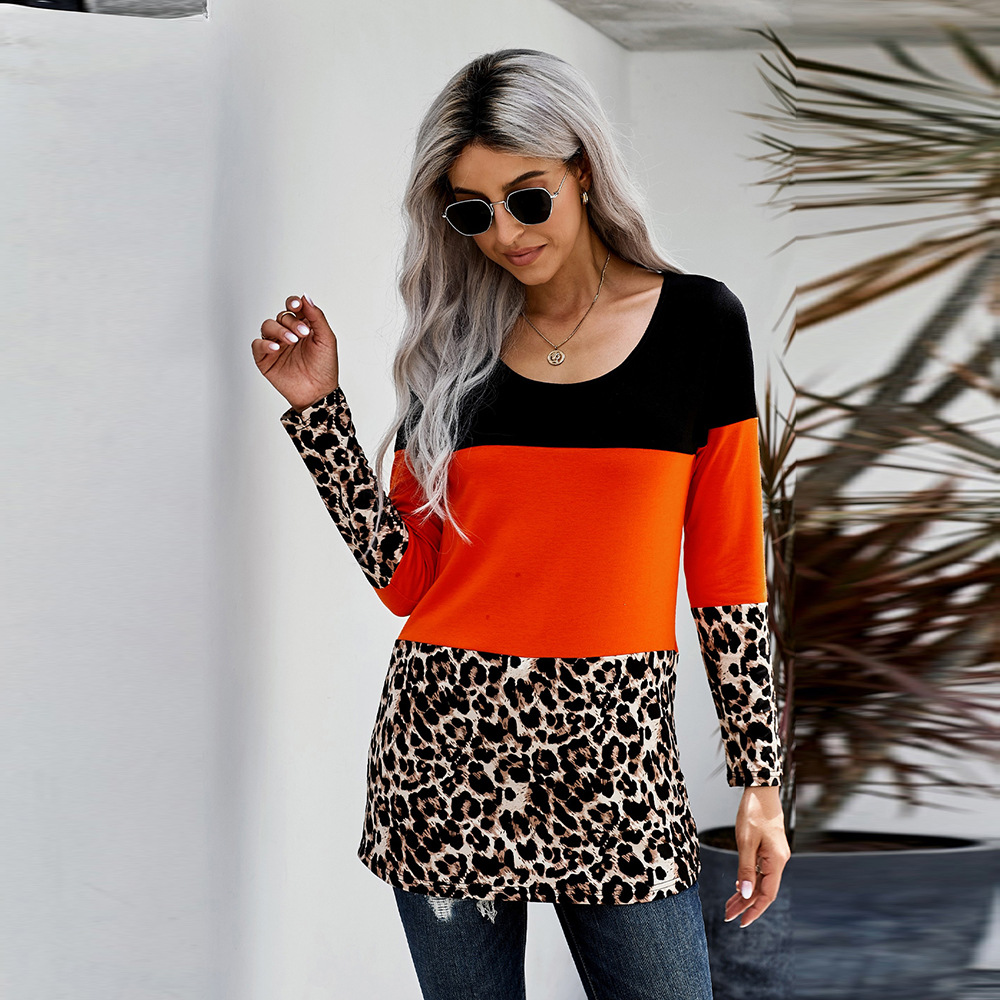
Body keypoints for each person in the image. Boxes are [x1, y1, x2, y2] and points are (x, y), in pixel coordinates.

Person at [252, 47, 789, 1000]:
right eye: (473, 212)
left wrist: (760, 778)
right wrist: (319, 415)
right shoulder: (451, 350)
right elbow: (409, 582)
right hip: (442, 751)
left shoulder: (701, 323)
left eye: (527, 198)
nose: (503, 233)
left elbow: (728, 576)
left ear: (581, 168)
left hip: (619, 760)